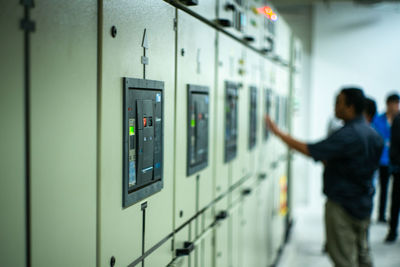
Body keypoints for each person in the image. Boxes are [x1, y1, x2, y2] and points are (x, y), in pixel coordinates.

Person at [265, 87, 383, 267]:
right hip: (364, 203)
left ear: (350, 107)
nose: (334, 106)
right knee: (362, 254)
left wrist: (278, 132)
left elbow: (310, 150)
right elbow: (354, 162)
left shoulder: (347, 135)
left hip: (343, 207)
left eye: (338, 102)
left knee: (343, 258)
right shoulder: (373, 135)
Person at [373, 93, 400, 222]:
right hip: (382, 159)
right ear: (388, 104)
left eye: (397, 104)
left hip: (395, 161)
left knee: (395, 193)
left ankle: (392, 217)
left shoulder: (398, 120)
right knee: (383, 189)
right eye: (393, 103)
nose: (395, 106)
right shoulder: (378, 120)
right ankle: (381, 215)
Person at [386, 112, 400, 242]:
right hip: (398, 168)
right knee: (395, 201)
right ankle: (392, 231)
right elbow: (394, 143)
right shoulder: (397, 119)